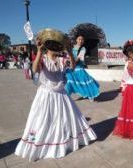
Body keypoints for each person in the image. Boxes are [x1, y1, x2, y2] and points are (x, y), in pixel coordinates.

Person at [15, 31, 97, 161]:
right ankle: (37, 143)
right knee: (41, 120)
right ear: (47, 47)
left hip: (60, 95)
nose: (56, 48)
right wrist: (38, 51)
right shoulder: (42, 58)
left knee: (62, 120)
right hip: (45, 96)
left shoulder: (62, 59)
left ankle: (61, 141)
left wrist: (70, 52)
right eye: (53, 45)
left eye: (57, 45)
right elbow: (35, 69)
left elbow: (74, 67)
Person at [65, 35, 100, 101]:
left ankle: (90, 95)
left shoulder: (83, 49)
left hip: (78, 67)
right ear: (76, 40)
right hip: (70, 67)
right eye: (79, 39)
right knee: (69, 80)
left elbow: (77, 59)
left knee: (85, 81)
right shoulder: (71, 48)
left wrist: (70, 60)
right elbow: (66, 57)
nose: (80, 41)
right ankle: (66, 96)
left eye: (82, 39)